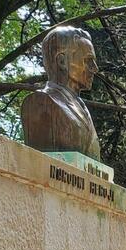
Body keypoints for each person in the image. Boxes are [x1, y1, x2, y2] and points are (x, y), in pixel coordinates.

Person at [20, 23, 101, 158]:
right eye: (88, 60)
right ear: (62, 61)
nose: (95, 68)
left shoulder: (82, 108)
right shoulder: (39, 103)